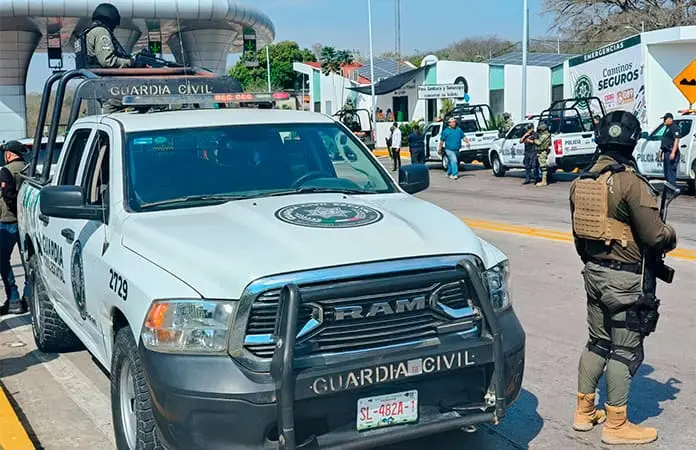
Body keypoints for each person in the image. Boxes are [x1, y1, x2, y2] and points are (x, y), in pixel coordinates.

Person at [569, 111, 677, 445]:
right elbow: (655, 236)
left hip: (594, 273)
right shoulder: (631, 182)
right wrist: (671, 234)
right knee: (624, 351)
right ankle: (616, 425)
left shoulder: (582, 180)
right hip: (626, 281)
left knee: (597, 343)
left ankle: (584, 411)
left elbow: (578, 236)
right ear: (632, 142)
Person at [75, 3, 133, 113]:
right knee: (142, 94)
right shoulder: (101, 31)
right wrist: (130, 62)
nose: (114, 28)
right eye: (114, 25)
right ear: (110, 20)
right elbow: (107, 61)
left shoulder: (86, 33)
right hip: (106, 87)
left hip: (96, 84)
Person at [0, 141, 30, 316]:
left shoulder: (6, 171)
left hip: (8, 221)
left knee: (2, 260)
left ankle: (13, 300)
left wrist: (15, 210)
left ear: (9, 154)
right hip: (27, 223)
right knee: (29, 262)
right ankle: (29, 298)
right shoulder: (29, 168)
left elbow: (8, 195)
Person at [658, 113, 680, 190]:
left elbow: (676, 140)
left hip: (671, 152)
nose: (664, 121)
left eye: (665, 119)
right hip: (666, 152)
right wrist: (660, 152)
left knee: (671, 173)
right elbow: (665, 141)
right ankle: (668, 190)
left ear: (670, 119)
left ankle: (672, 190)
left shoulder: (674, 127)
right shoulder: (667, 128)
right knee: (667, 173)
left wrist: (673, 152)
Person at [534, 122, 551, 186]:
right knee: (543, 166)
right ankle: (543, 181)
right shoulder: (548, 135)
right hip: (543, 151)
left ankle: (544, 181)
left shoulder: (544, 136)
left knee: (543, 167)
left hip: (542, 152)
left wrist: (534, 140)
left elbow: (538, 142)